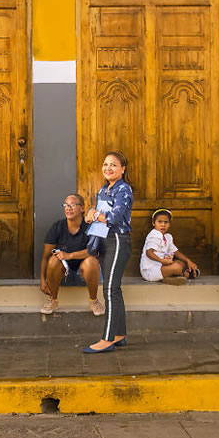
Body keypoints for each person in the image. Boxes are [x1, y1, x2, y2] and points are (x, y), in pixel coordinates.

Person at [82, 151, 133, 354]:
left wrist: (95, 214)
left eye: (113, 165)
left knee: (110, 290)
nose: (108, 168)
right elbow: (96, 214)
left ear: (122, 169)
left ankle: (107, 338)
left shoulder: (124, 189)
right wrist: (90, 214)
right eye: (105, 164)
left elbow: (115, 217)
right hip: (103, 240)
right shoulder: (104, 189)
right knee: (114, 289)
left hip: (118, 240)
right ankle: (119, 334)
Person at [39, 194, 104, 316]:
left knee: (92, 261)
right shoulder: (57, 227)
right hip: (63, 271)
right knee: (53, 260)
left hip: (85, 271)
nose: (68, 208)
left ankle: (93, 300)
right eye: (66, 205)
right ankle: (53, 300)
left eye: (73, 205)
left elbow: (94, 252)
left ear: (82, 209)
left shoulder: (90, 227)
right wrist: (42, 280)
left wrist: (70, 255)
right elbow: (45, 256)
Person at [140, 208, 200, 285]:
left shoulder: (168, 237)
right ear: (153, 223)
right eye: (160, 222)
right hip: (150, 271)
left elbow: (176, 252)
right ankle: (185, 274)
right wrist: (162, 261)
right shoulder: (154, 235)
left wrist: (189, 261)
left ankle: (169, 276)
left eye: (166, 222)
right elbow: (149, 253)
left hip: (161, 266)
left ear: (170, 224)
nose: (163, 225)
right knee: (177, 267)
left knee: (181, 263)